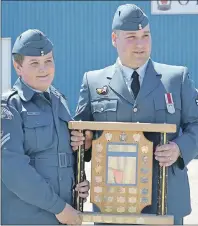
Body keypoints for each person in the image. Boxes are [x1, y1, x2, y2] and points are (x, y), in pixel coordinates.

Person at [71, 4, 198, 225]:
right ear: (114, 38)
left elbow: (195, 124)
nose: (140, 44)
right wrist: (86, 143)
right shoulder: (94, 82)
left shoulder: (177, 79)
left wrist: (179, 148)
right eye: (131, 37)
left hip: (165, 201)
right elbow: (80, 139)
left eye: (145, 35)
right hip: (113, 203)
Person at [1, 29, 89, 225]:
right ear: (18, 67)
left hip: (64, 218)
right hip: (27, 218)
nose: (44, 69)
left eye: (48, 61)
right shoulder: (9, 107)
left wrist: (80, 182)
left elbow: (63, 156)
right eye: (34, 63)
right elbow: (12, 169)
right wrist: (58, 207)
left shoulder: (60, 101)